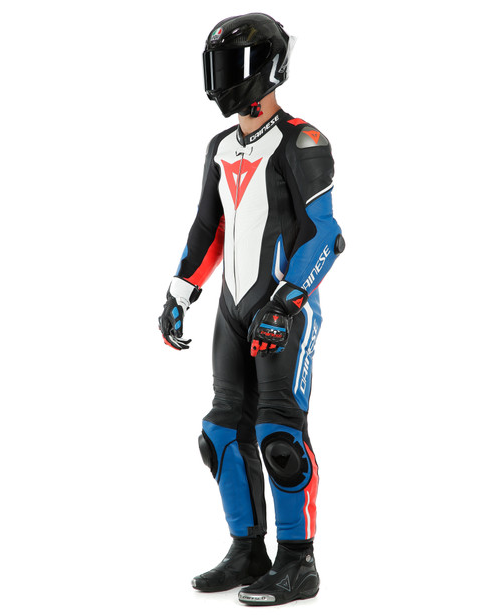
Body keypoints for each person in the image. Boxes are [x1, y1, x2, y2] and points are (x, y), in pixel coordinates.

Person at [158, 13, 345, 606]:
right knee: (221, 433)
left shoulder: (303, 141)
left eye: (234, 65)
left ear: (269, 68)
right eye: (217, 66)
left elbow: (325, 234)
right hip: (231, 311)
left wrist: (287, 303)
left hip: (282, 311)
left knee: (279, 436)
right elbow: (207, 227)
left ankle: (298, 562)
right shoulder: (219, 147)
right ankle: (248, 551)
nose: (223, 80)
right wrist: (180, 291)